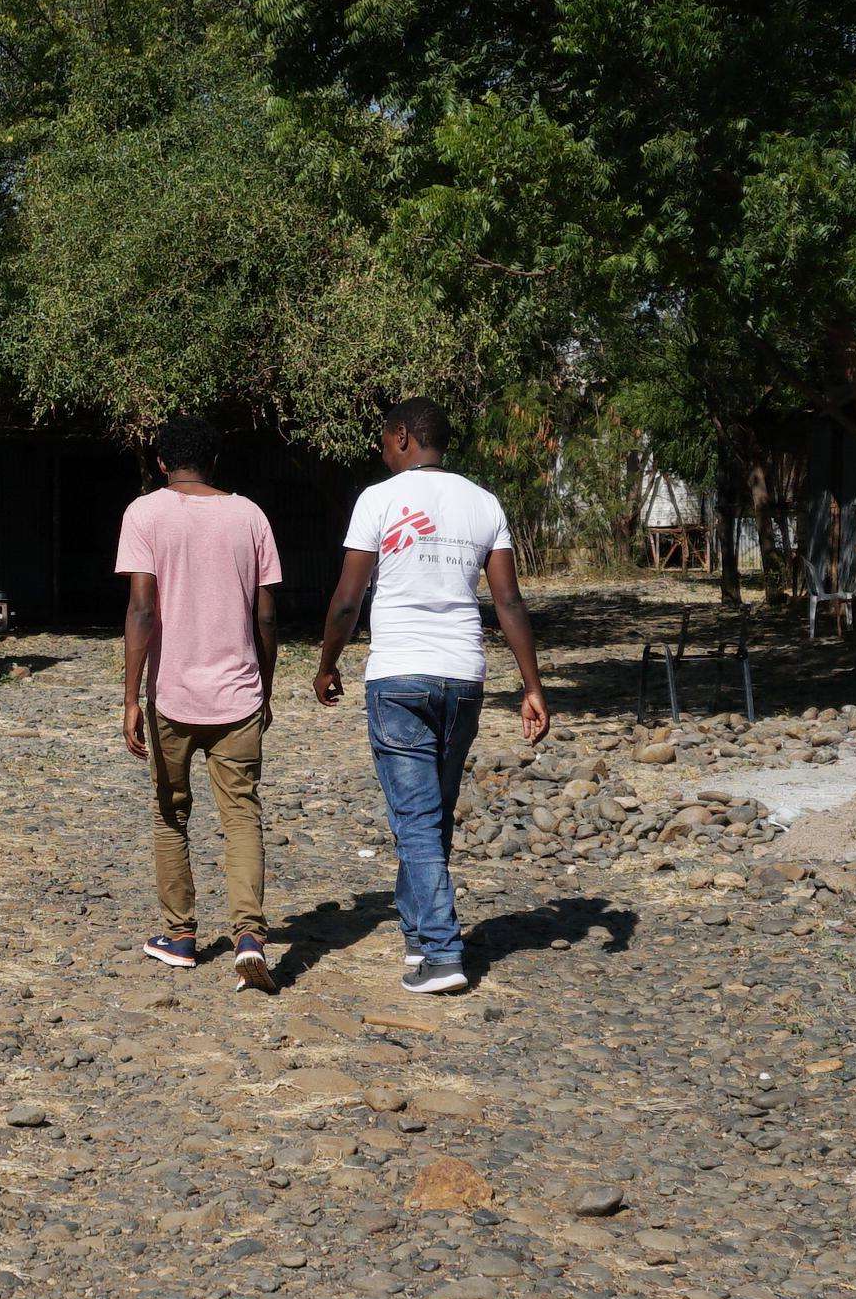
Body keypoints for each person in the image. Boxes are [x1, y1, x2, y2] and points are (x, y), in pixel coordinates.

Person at [313, 398, 548, 994]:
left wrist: (327, 663)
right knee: (431, 814)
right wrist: (532, 686)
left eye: (384, 438)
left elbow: (347, 599)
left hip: (399, 676)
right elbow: (509, 603)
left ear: (403, 436)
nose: (380, 448)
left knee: (415, 817)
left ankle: (444, 953)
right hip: (464, 677)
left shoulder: (378, 500)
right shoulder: (483, 502)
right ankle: (420, 936)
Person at [116, 415, 285, 990]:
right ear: (215, 461)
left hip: (172, 697)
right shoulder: (250, 516)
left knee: (171, 815)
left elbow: (142, 610)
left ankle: (181, 935)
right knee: (241, 817)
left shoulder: (145, 514)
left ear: (161, 462)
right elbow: (266, 616)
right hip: (238, 694)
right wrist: (265, 682)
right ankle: (249, 937)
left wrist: (131, 695)